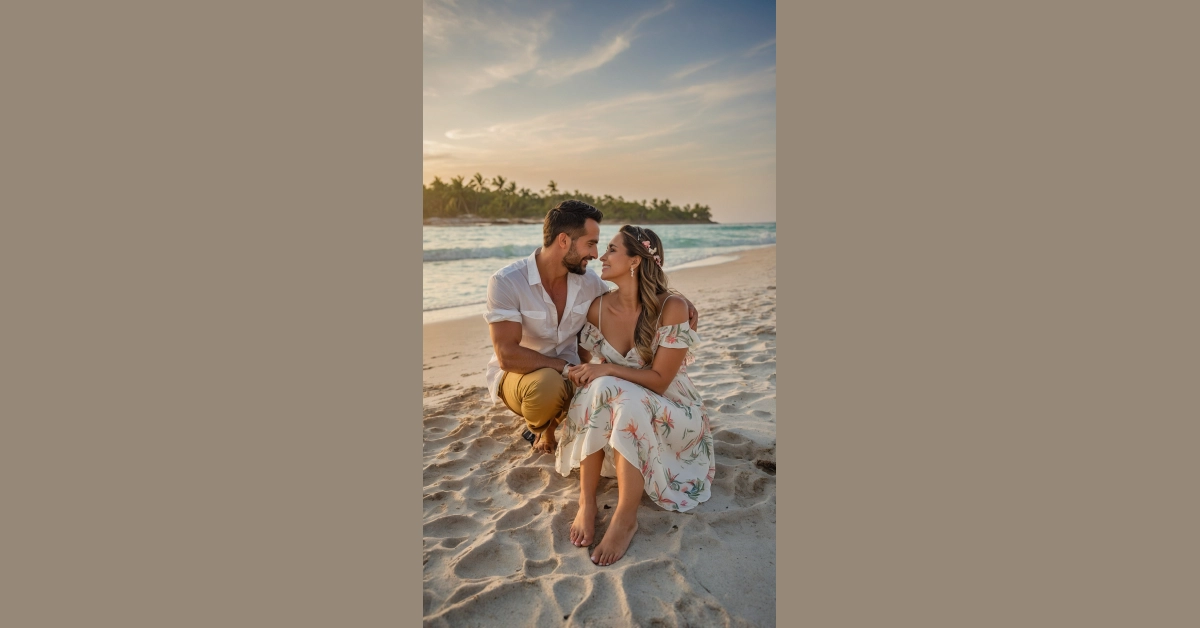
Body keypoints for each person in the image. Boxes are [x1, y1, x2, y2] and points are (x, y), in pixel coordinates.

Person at [555, 225, 715, 567]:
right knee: (601, 388)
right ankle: (587, 501)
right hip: (620, 413)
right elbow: (585, 369)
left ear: (635, 262)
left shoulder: (671, 307)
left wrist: (608, 369)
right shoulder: (597, 309)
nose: (601, 256)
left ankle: (626, 516)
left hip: (672, 411)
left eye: (611, 249)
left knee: (618, 391)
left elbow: (658, 382)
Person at [484, 201, 698, 454]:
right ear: (564, 241)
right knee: (548, 387)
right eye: (591, 243)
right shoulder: (507, 281)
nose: (596, 255)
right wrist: (566, 369)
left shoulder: (590, 283)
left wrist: (676, 302)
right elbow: (507, 355)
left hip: (573, 372)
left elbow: (630, 296)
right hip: (523, 375)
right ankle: (543, 428)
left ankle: (564, 411)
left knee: (603, 391)